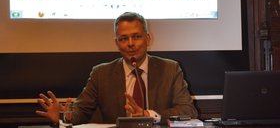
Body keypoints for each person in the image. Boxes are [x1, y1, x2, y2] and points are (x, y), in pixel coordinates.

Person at [36, 12, 197, 125]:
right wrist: (64, 116)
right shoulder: (101, 73)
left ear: (148, 38)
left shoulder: (170, 69)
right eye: (123, 38)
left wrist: (148, 115)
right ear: (117, 43)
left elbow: (188, 111)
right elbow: (81, 110)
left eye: (136, 37)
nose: (131, 44)